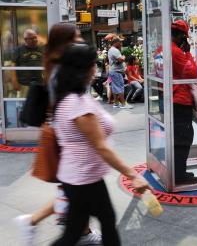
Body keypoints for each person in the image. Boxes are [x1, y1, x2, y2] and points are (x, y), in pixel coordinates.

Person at [51, 44, 150, 246]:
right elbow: (101, 146)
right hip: (83, 178)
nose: (96, 69)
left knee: (76, 230)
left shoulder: (70, 97)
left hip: (81, 176)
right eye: (93, 65)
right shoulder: (77, 103)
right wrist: (132, 175)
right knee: (101, 222)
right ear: (83, 68)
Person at [15, 24, 102, 246]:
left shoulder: (57, 61)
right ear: (64, 40)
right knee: (74, 190)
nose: (81, 40)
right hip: (65, 136)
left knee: (73, 190)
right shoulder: (58, 66)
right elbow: (67, 104)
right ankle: (38, 222)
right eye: (76, 37)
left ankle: (80, 231)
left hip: (64, 133)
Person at [154, 20, 197, 184]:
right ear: (180, 36)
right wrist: (188, 53)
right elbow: (193, 72)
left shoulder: (160, 49)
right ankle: (179, 175)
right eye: (184, 37)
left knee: (175, 137)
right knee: (184, 137)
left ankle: (176, 170)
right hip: (179, 100)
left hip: (166, 98)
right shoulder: (176, 52)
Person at [12, 29, 44, 98]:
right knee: (24, 105)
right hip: (24, 84)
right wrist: (14, 81)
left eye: (35, 37)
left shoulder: (42, 49)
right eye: (32, 38)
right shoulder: (19, 50)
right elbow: (13, 66)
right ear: (25, 39)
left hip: (39, 82)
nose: (35, 39)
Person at [108, 36, 133, 109]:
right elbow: (121, 59)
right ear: (116, 42)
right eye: (120, 42)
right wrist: (124, 57)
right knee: (120, 88)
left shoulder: (111, 50)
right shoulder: (115, 50)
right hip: (116, 72)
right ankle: (123, 104)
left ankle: (116, 103)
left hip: (114, 71)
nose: (121, 43)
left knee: (115, 88)